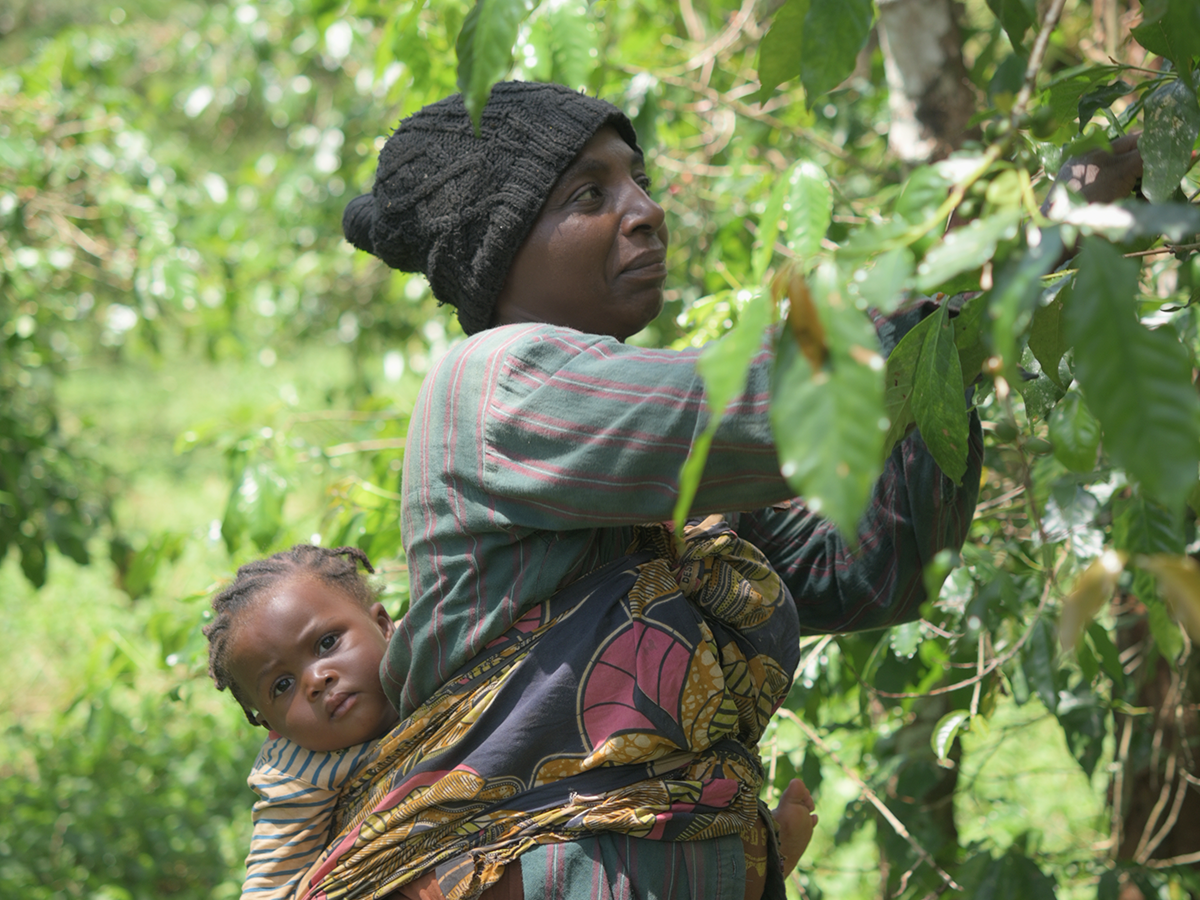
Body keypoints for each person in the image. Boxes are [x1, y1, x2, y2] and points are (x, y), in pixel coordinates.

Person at [203, 544, 399, 900]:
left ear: (383, 626)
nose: (316, 680)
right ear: (271, 725)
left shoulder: (436, 652)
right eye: (282, 685)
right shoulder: (293, 775)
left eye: (327, 643)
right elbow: (267, 889)